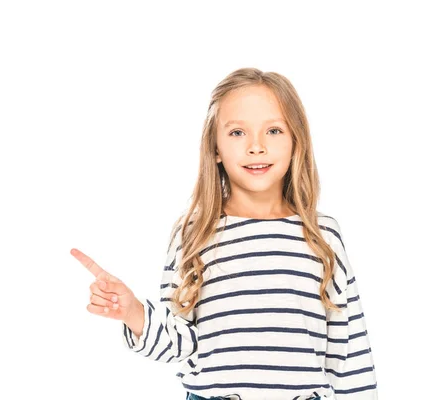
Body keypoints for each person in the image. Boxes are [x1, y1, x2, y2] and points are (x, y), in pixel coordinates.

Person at [70, 67, 378, 400]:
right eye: (237, 133)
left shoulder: (323, 235)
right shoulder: (194, 233)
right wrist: (132, 312)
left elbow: (349, 354)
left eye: (274, 130)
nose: (256, 147)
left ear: (295, 142)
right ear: (215, 147)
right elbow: (181, 344)